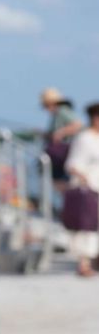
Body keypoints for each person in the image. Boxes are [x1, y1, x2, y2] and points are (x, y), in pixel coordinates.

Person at [65, 103, 99, 277]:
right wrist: (84, 178)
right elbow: (71, 164)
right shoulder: (84, 138)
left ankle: (92, 262)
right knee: (86, 228)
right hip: (88, 189)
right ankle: (83, 264)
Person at [41, 87, 83, 186]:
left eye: (46, 105)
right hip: (62, 154)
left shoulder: (62, 111)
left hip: (63, 153)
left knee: (61, 180)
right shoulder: (57, 114)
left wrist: (60, 133)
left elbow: (77, 124)